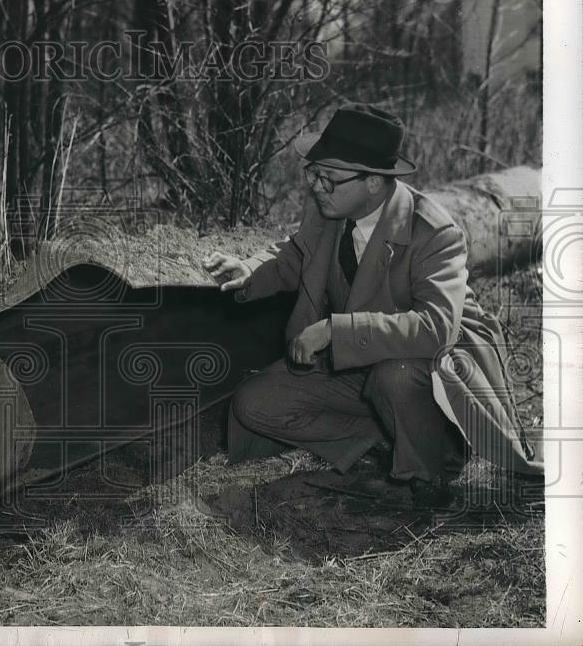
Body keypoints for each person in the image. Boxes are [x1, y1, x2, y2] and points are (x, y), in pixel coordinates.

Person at [203, 104, 540, 507]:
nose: (317, 187)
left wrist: (333, 330)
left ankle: (434, 467)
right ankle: (390, 439)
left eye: (330, 178)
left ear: (376, 183)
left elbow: (436, 330)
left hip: (432, 367)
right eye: (314, 174)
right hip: (359, 363)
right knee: (256, 404)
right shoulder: (329, 209)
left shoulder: (434, 232)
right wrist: (249, 270)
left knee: (393, 376)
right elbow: (295, 256)